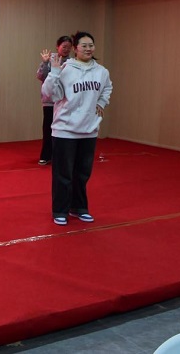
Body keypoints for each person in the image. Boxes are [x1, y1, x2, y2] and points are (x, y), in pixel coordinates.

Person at [41, 31, 112, 226]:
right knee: (63, 174)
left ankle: (79, 208)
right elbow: (49, 95)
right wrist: (54, 73)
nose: (88, 49)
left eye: (91, 45)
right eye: (84, 45)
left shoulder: (102, 71)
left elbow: (108, 87)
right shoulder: (65, 69)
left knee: (82, 173)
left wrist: (102, 102)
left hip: (89, 130)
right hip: (65, 130)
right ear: (75, 49)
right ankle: (60, 210)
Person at [36, 35, 73, 166]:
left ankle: (61, 157)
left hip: (65, 101)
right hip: (50, 102)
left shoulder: (72, 62)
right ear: (57, 47)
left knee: (64, 130)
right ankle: (46, 156)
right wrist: (45, 63)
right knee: (48, 129)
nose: (66, 49)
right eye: (64, 46)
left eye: (69, 47)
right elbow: (41, 76)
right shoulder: (50, 59)